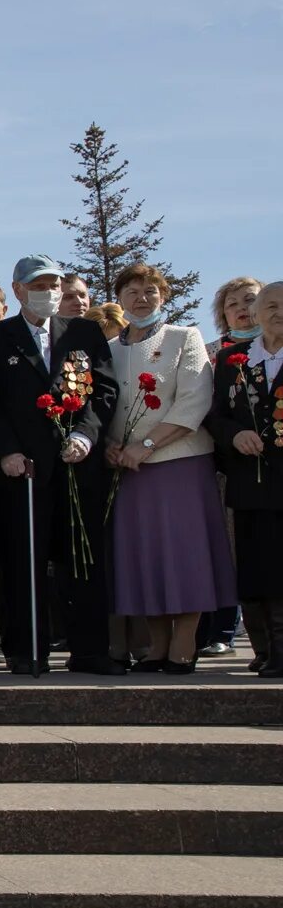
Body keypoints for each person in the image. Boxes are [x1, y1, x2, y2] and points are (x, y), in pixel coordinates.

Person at [0, 256, 121, 676]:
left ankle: (91, 650)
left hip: (77, 463)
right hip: (22, 469)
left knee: (82, 558)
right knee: (22, 560)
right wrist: (5, 450)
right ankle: (26, 650)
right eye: (39, 285)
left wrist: (86, 435)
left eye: (55, 284)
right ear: (18, 290)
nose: (50, 293)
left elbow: (103, 390)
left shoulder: (84, 332)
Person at [106, 262, 234, 673]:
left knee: (184, 554)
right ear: (120, 299)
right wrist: (110, 446)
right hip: (129, 471)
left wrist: (145, 445)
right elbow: (103, 405)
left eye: (151, 291)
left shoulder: (185, 338)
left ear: (164, 296)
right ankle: (156, 645)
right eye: (133, 292)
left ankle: (184, 643)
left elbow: (194, 400)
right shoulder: (108, 349)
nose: (142, 299)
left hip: (179, 462)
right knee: (146, 557)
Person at [210, 283, 283, 676]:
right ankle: (263, 649)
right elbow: (216, 415)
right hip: (248, 480)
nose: (276, 313)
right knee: (254, 566)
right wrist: (234, 435)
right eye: (269, 306)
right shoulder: (232, 360)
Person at [200, 277, 263, 660]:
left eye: (250, 300)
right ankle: (222, 627)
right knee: (226, 548)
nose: (242, 308)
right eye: (231, 304)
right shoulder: (211, 355)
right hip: (223, 466)